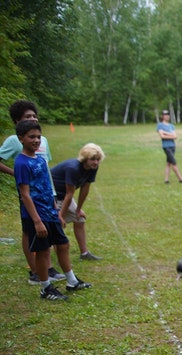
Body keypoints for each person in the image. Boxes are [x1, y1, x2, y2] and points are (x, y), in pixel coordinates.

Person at [14, 120, 92, 300]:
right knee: (43, 251)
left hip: (49, 211)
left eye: (38, 137)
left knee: (63, 244)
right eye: (31, 137)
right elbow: (25, 194)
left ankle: (72, 281)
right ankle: (45, 288)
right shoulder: (22, 163)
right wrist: (37, 221)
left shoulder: (40, 159)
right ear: (21, 138)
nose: (36, 140)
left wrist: (56, 211)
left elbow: (48, 187)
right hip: (36, 215)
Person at [0, 100, 65, 284]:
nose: (33, 119)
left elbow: (45, 166)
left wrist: (52, 191)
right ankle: (35, 271)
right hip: (29, 193)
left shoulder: (42, 139)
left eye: (34, 116)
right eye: (27, 116)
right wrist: (15, 173)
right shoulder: (15, 140)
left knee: (47, 230)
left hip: (46, 192)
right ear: (17, 121)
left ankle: (48, 269)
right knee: (30, 231)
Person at [51, 143, 105, 261]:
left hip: (65, 196)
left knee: (80, 219)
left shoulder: (93, 168)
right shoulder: (73, 168)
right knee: (57, 224)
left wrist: (78, 209)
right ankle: (59, 255)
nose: (96, 162)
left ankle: (84, 253)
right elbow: (69, 193)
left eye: (97, 159)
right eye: (92, 159)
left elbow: (85, 188)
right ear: (85, 158)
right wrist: (61, 215)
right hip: (53, 196)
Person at [156, 110, 182, 184]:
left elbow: (175, 136)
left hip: (172, 146)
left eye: (168, 115)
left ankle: (166, 180)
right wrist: (170, 135)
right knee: (174, 163)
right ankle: (181, 179)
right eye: (165, 115)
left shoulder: (171, 126)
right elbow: (162, 136)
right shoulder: (160, 125)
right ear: (162, 116)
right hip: (166, 146)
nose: (167, 116)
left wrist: (165, 133)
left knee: (168, 163)